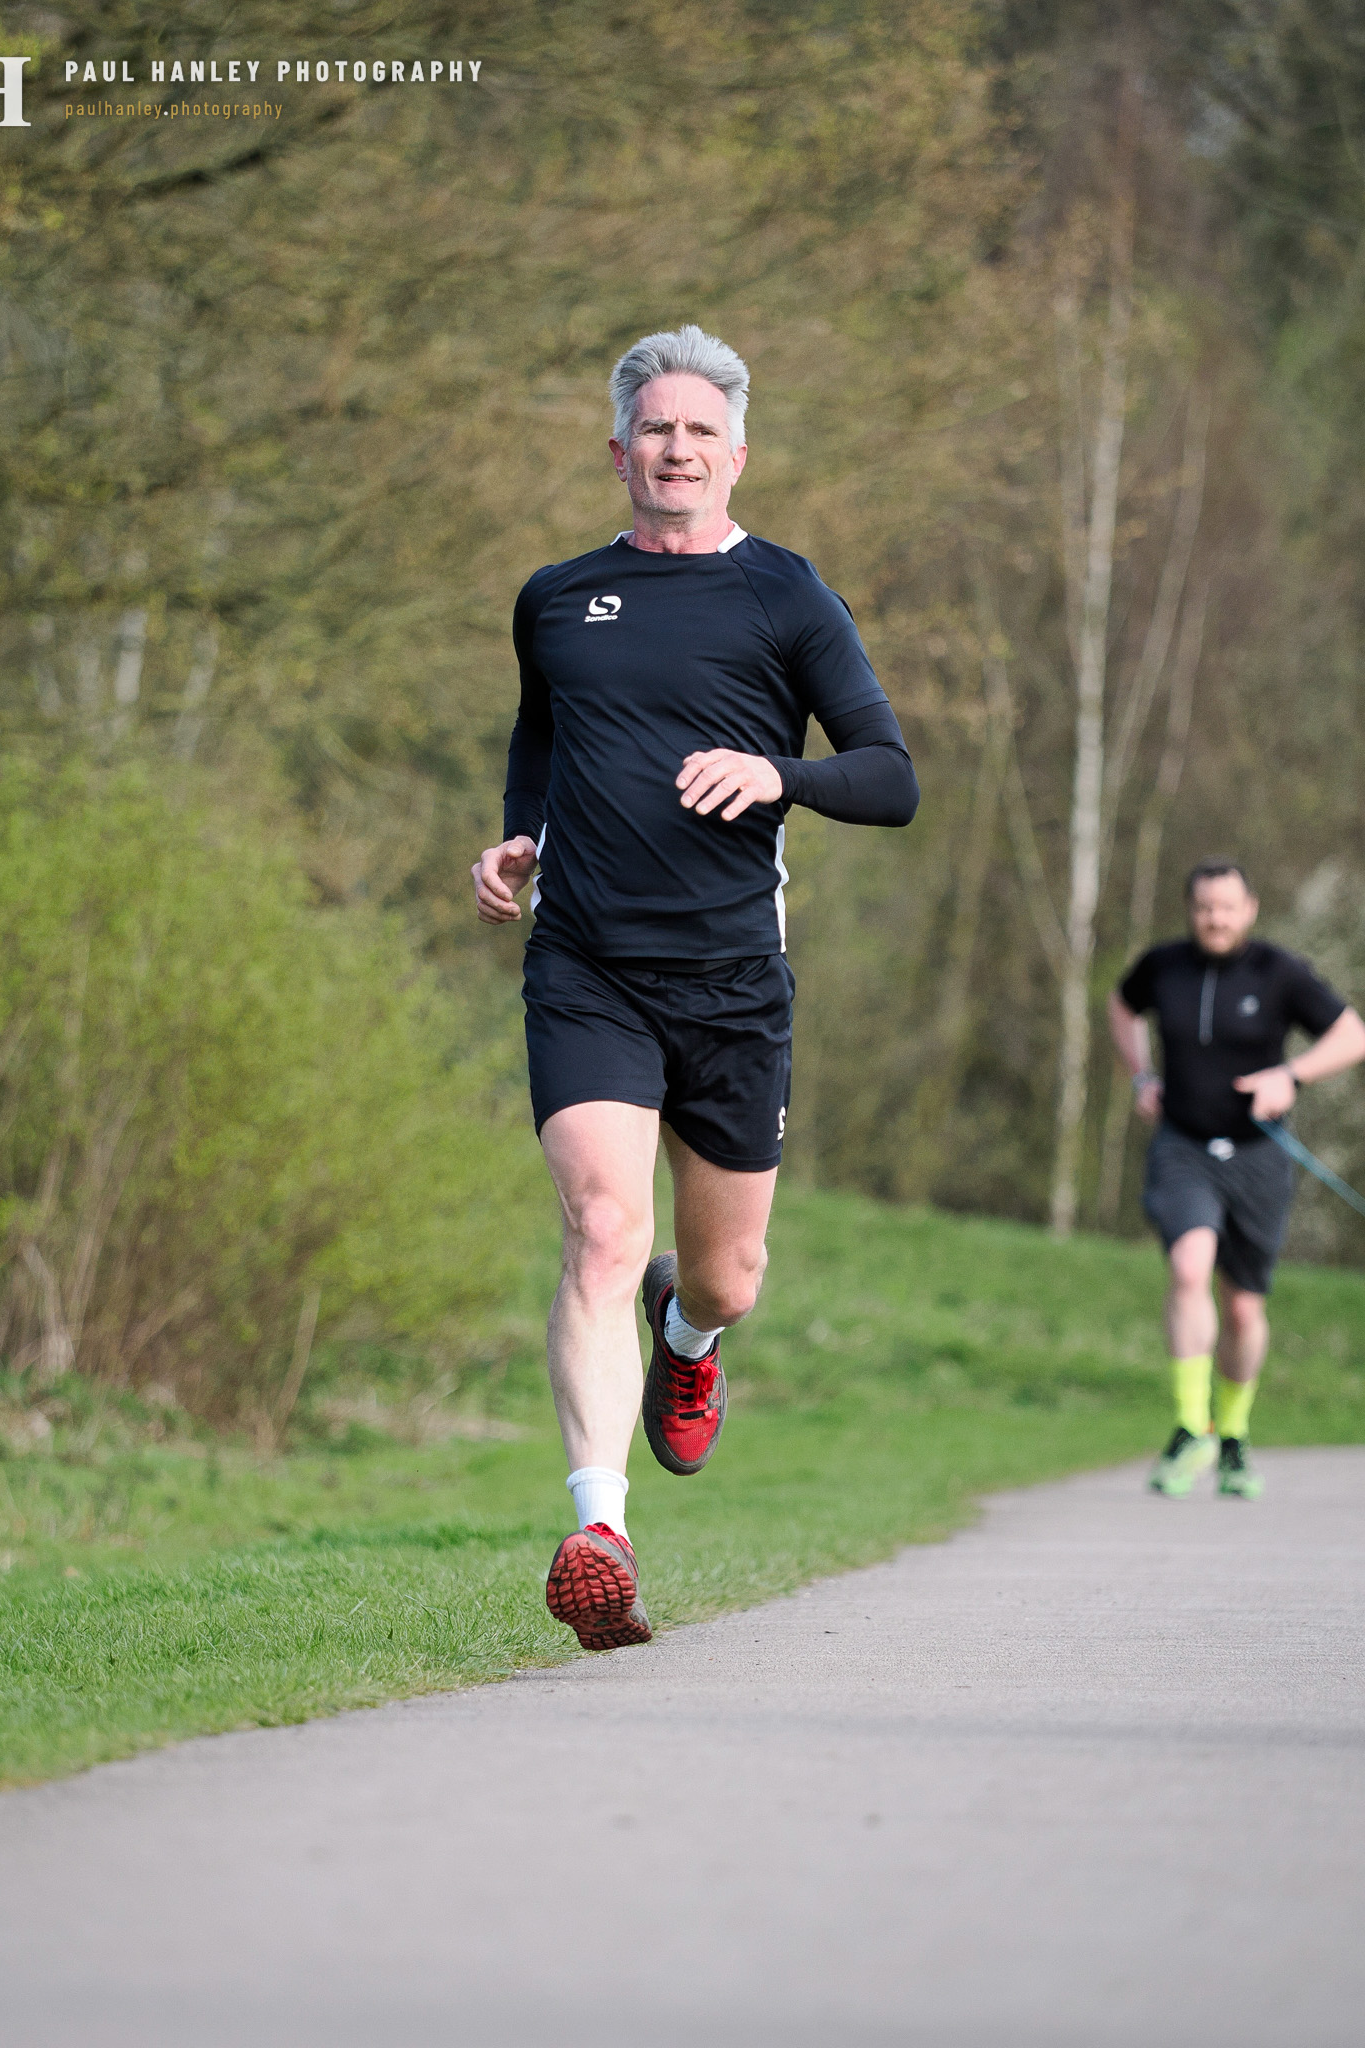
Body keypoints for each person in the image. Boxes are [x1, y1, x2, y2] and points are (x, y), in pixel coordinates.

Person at [472, 325, 918, 1648]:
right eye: (654, 429)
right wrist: (523, 834)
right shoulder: (556, 597)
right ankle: (597, 1533)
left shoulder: (784, 596)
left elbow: (889, 775)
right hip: (589, 967)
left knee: (727, 1277)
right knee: (601, 1229)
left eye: (699, 432)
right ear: (619, 450)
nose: (675, 449)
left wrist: (783, 775)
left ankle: (692, 1334)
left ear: (737, 453)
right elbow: (540, 736)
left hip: (730, 979)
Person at [1109, 860, 1365, 1500]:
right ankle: (1191, 1425)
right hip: (1183, 1147)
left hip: (1258, 1155)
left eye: (1226, 907)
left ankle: (1235, 1436)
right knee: (1189, 1267)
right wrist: (1141, 1074)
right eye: (1203, 908)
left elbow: (1351, 1035)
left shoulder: (1279, 973)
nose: (1214, 919)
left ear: (1249, 909)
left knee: (1244, 1310)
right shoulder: (1162, 966)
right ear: (1190, 910)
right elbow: (1120, 1005)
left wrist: (1293, 1076)